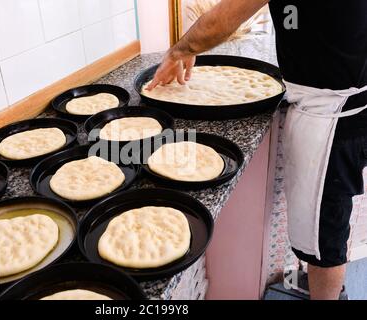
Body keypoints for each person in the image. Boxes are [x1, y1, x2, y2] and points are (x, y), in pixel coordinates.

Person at [147, 0, 367, 300]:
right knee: (321, 221)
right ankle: (321, 284)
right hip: (351, 101)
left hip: (333, 116)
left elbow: (222, 21)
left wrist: (180, 50)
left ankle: (327, 293)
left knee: (326, 236)